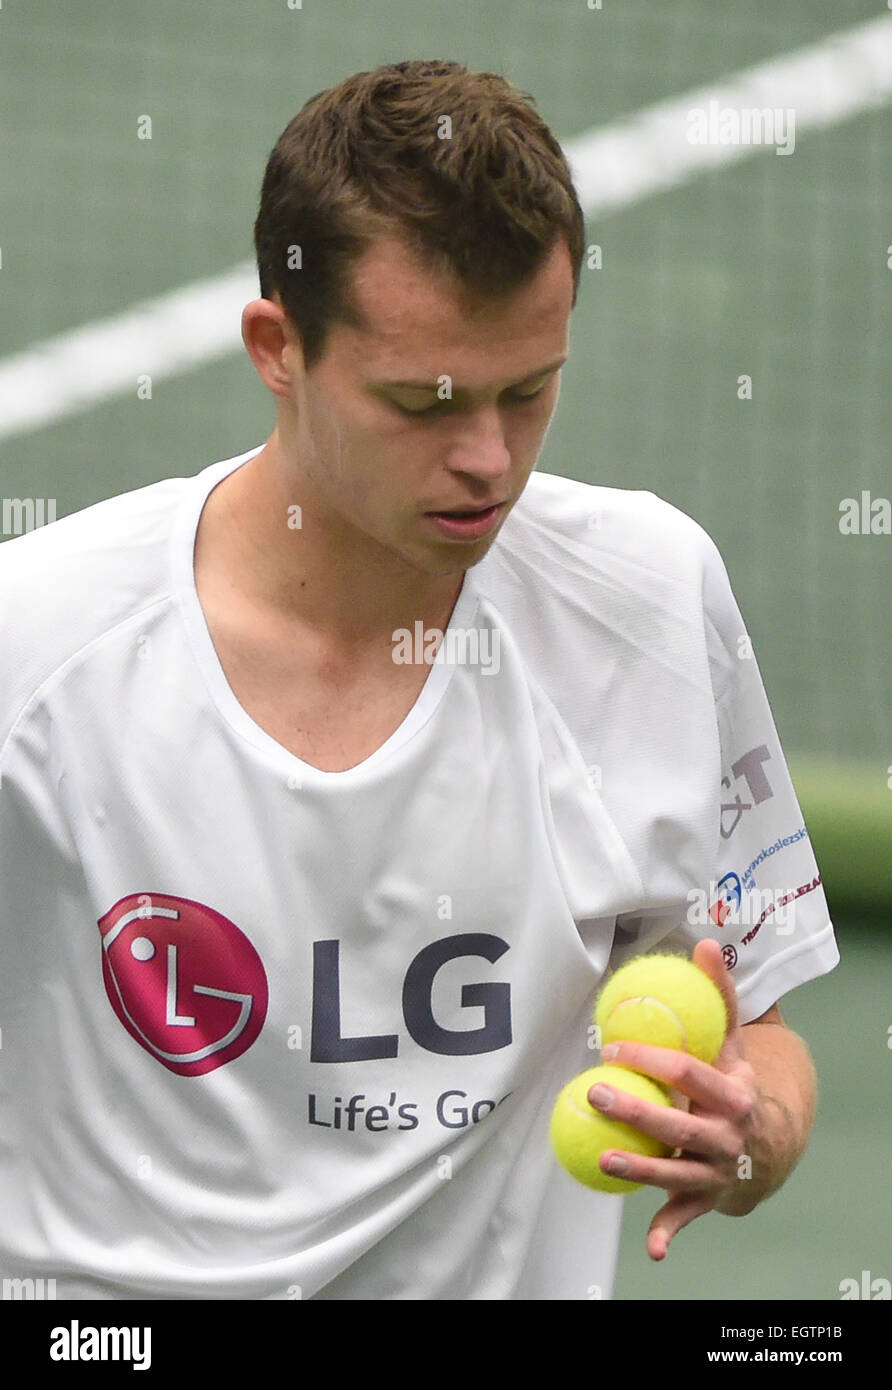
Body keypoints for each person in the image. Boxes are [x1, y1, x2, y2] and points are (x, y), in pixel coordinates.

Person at [0, 58, 839, 1301]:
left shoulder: (650, 600)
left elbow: (757, 1022)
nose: (487, 461)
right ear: (277, 348)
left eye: (529, 390)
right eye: (425, 403)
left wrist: (746, 1128)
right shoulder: (38, 647)